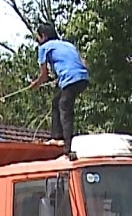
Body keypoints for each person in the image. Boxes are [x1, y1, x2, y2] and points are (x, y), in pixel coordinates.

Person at [28, 23, 90, 157]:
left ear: (43, 36)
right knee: (57, 102)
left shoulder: (44, 47)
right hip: (83, 77)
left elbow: (44, 76)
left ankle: (68, 147)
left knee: (64, 107)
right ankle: (56, 137)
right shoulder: (68, 44)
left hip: (70, 78)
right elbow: (83, 62)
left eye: (38, 37)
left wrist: (35, 84)